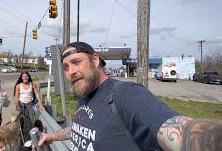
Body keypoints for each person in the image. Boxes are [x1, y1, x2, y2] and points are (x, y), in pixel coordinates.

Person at [38, 42, 222, 150]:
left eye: (76, 62)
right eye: (66, 67)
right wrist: (51, 137)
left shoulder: (125, 94)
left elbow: (183, 131)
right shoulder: (84, 95)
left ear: (95, 60)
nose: (71, 71)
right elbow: (79, 129)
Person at [14, 71, 45, 141]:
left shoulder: (32, 84)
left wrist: (40, 104)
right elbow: (16, 96)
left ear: (29, 77)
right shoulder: (18, 86)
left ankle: (30, 138)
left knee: (31, 122)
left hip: (29, 105)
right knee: (22, 121)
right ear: (21, 78)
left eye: (26, 76)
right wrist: (17, 105)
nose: (25, 78)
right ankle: (22, 138)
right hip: (21, 105)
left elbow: (37, 94)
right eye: (23, 76)